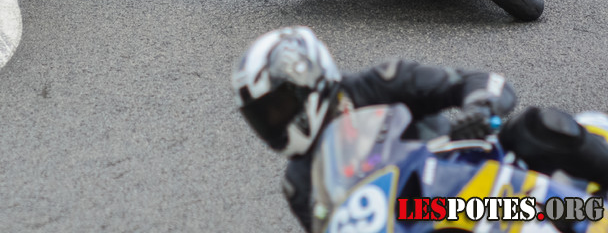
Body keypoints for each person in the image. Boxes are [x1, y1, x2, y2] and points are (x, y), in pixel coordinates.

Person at [231, 26, 608, 232]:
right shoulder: (298, 182)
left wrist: (480, 109)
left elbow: (483, 83)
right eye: (263, 118)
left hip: (466, 181)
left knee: (540, 126)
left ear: (307, 81)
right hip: (407, 220)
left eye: (278, 107)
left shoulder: (382, 83)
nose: (274, 123)